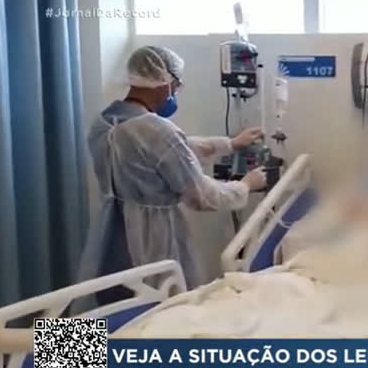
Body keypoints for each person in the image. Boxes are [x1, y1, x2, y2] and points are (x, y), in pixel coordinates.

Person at [77, 45, 267, 305]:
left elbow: (169, 151)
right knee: (160, 314)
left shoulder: (106, 123)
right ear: (164, 81)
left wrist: (230, 144)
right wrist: (245, 185)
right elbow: (203, 196)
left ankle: (47, 334)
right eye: (176, 85)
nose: (176, 91)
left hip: (111, 239)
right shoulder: (156, 130)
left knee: (111, 313)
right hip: (152, 243)